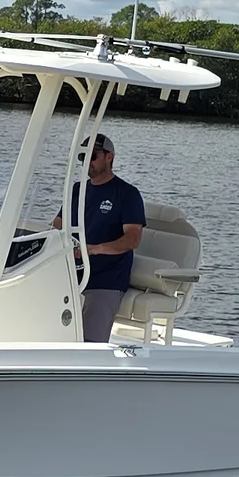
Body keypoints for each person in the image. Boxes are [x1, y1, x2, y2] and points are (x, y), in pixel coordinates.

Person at [72, 132, 145, 343]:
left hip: (106, 280)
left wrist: (95, 249)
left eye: (92, 156)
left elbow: (133, 239)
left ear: (109, 157)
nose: (87, 163)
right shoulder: (77, 190)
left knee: (89, 344)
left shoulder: (127, 194)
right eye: (83, 158)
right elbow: (57, 227)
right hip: (71, 274)